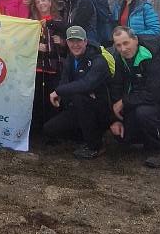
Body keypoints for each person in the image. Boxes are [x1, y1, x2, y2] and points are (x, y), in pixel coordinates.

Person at [43, 25, 111, 160]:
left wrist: (59, 91)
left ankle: (96, 145)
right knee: (49, 129)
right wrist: (60, 93)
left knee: (79, 96)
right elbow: (64, 81)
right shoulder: (70, 59)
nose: (75, 45)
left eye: (79, 41)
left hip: (101, 110)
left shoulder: (98, 60)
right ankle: (84, 137)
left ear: (85, 41)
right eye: (71, 41)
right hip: (78, 108)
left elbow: (87, 84)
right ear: (67, 42)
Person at [110, 26, 160, 168]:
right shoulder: (119, 58)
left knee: (143, 112)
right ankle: (147, 138)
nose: (123, 49)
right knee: (121, 137)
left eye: (126, 43)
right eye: (118, 45)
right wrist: (115, 119)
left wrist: (124, 102)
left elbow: (153, 94)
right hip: (136, 100)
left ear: (135, 40)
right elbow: (116, 88)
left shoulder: (151, 55)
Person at [31, 0, 63, 127]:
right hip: (37, 66)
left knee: (52, 96)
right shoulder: (32, 22)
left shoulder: (59, 20)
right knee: (36, 97)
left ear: (50, 2)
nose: (41, 3)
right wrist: (35, 46)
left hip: (55, 65)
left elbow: (68, 43)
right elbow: (24, 42)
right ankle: (36, 128)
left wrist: (61, 42)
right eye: (38, 2)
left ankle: (51, 127)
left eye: (43, 0)